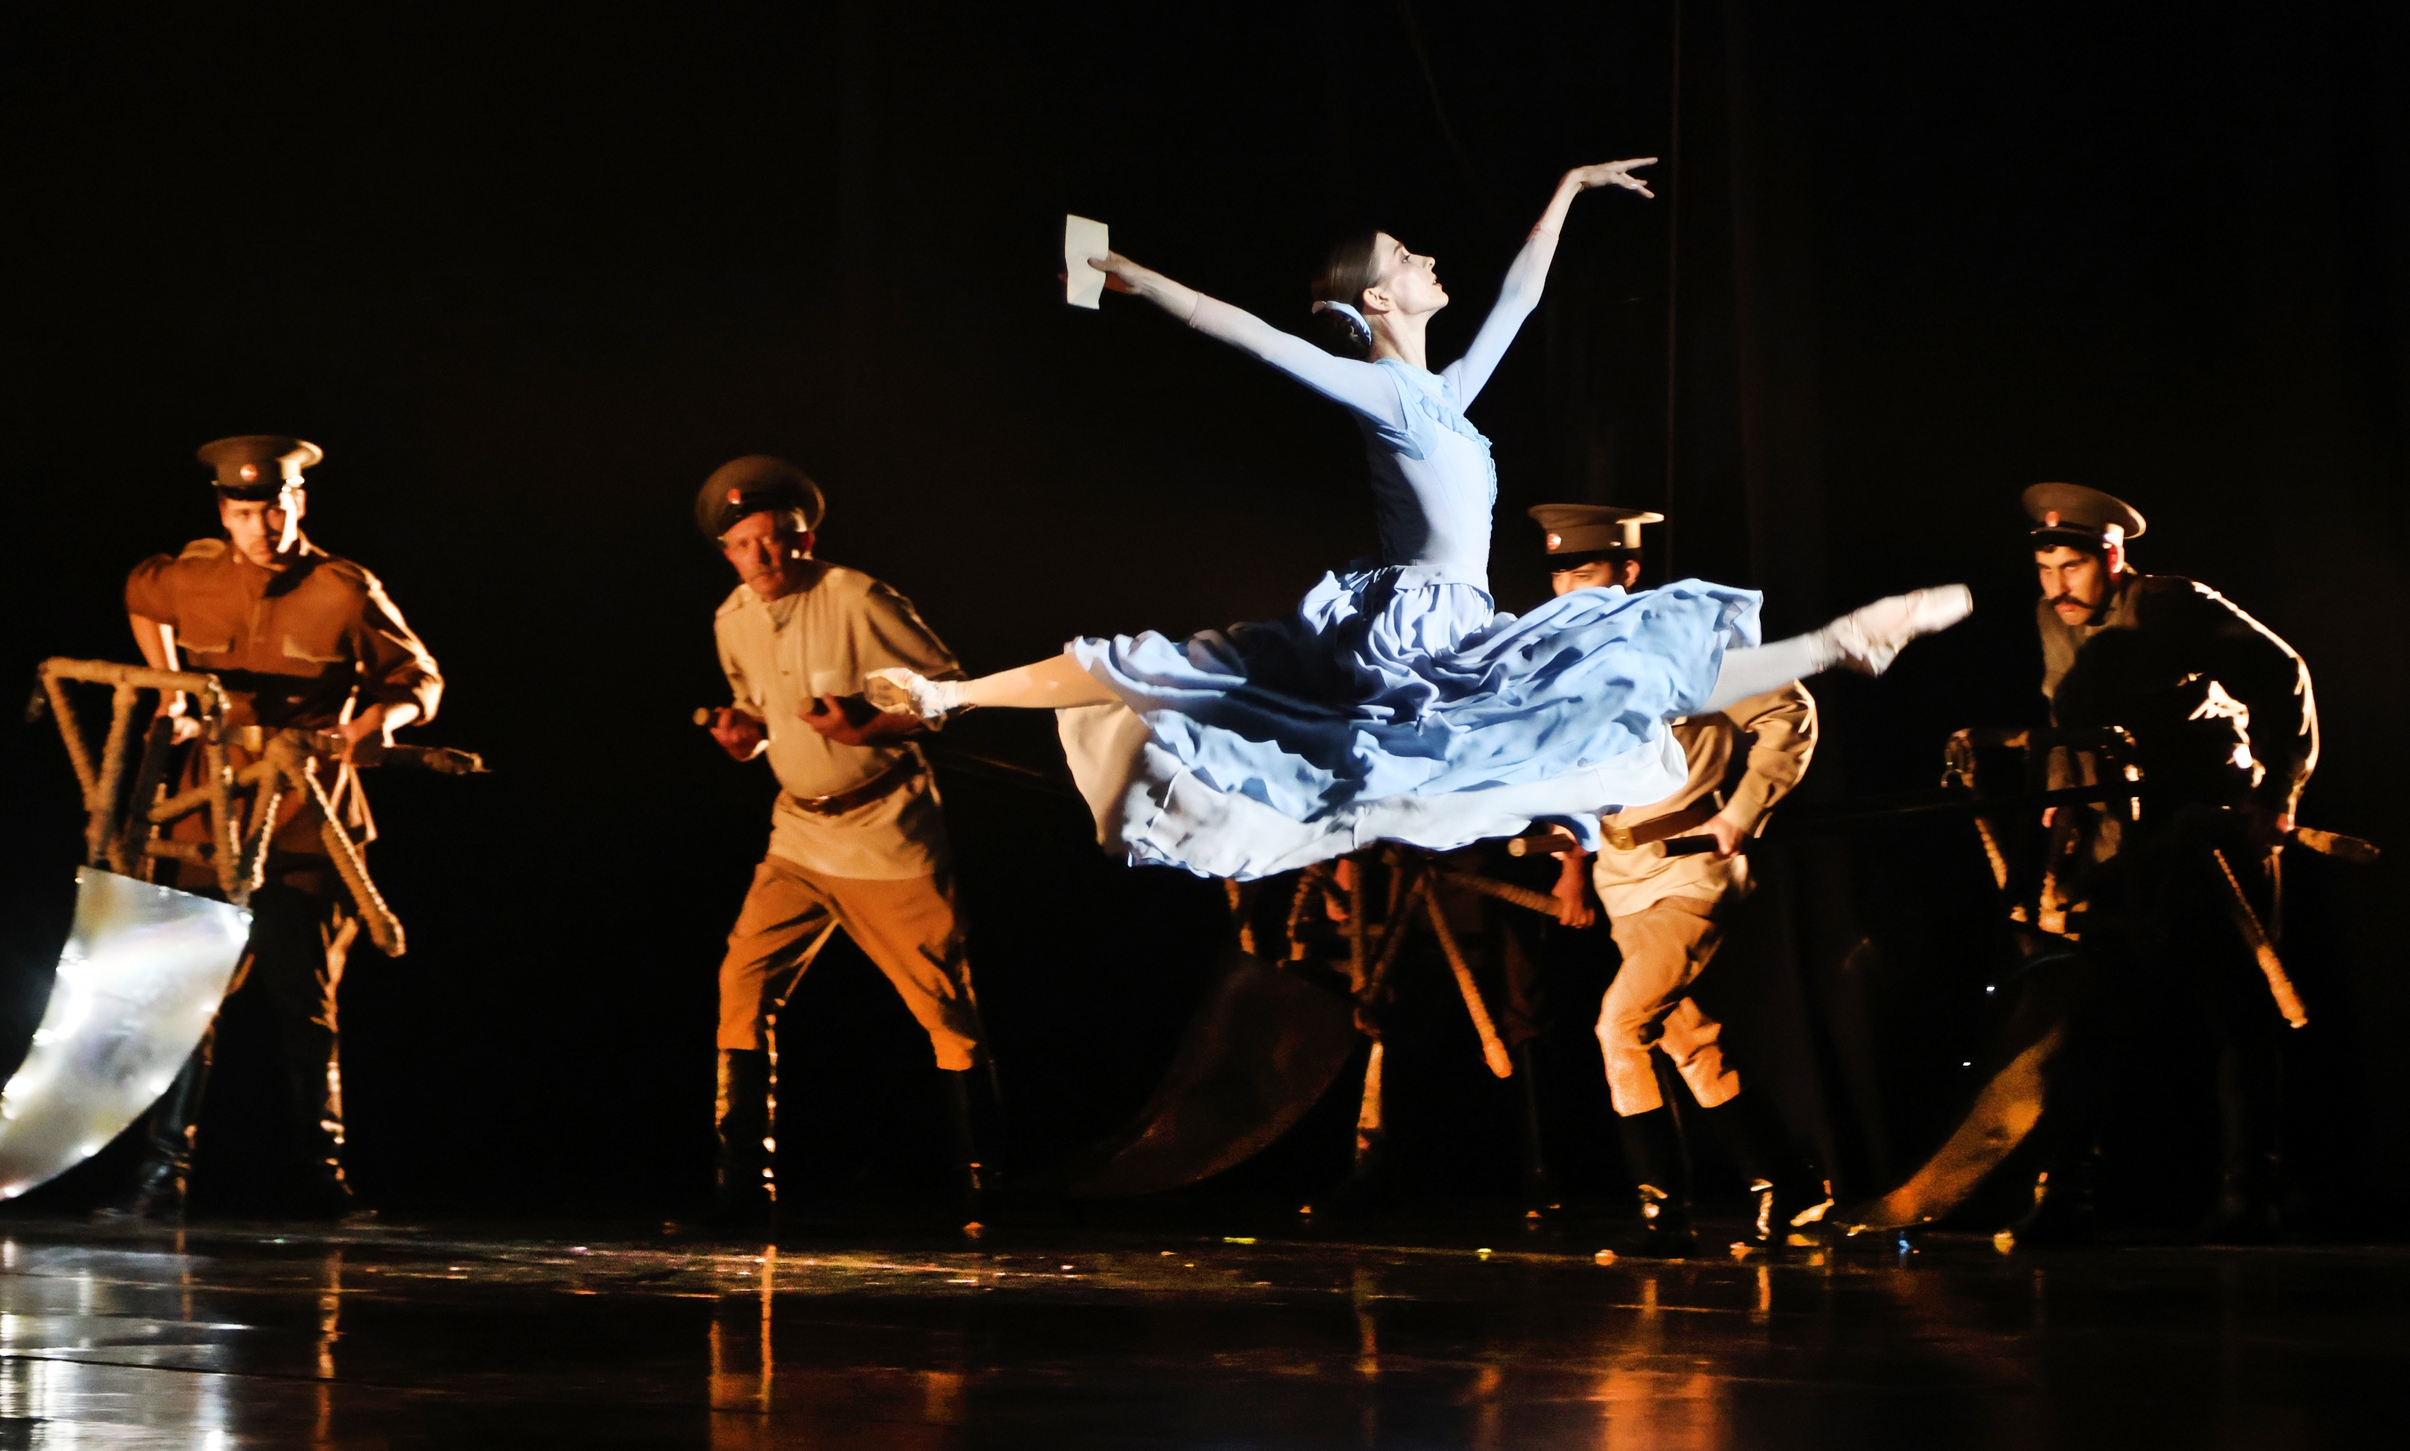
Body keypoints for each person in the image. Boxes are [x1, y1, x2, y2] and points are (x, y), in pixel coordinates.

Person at [866, 161, 1969, 880]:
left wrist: (1569, 190)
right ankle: (948, 695)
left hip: (1461, 617)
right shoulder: (1386, 393)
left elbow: (1520, 300)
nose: (1429, 260)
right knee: (1176, 672)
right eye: (1407, 258)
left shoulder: (1443, 395)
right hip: (1409, 626)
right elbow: (1256, 336)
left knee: (1613, 668)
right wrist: (1140, 282)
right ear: (1378, 300)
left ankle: (1838, 643)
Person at [107, 436, 443, 1221]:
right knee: (184, 1002)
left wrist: (379, 721)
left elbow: (419, 678)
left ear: (300, 502)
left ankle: (324, 1177)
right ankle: (161, 1177)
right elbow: (140, 595)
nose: (265, 527)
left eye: (278, 508)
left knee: (306, 1007)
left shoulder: (342, 588)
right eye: (246, 513)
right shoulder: (192, 576)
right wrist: (172, 692)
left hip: (304, 825)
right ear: (224, 514)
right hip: (209, 819)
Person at [698, 456, 1000, 1223]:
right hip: (799, 835)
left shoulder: (857, 598)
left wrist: (873, 724)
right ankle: (743, 1189)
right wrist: (745, 735)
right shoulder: (732, 618)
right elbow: (758, 711)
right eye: (744, 544)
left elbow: (951, 695)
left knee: (943, 1006)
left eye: (776, 538)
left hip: (884, 830)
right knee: (742, 983)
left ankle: (987, 1185)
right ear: (727, 553)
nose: (762, 556)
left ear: (805, 537)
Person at [2015, 483, 2317, 1242]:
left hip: (2204, 828)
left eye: (2073, 567)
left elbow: (2284, 674)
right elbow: (2066, 715)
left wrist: (2277, 794)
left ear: (2112, 557)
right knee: (2088, 1013)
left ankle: (2252, 1194)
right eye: (2046, 570)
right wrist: (2063, 800)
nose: (2057, 587)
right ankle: (2067, 1195)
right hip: (2117, 842)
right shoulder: (2054, 618)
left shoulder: (2171, 604)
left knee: (2239, 1010)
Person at [1529, 505, 1824, 1251]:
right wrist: (1570, 861)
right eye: (1561, 575)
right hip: (1621, 878)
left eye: (1587, 572)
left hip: (1690, 873)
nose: (1570, 590)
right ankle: (1788, 1184)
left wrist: (1744, 813)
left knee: (1620, 1026)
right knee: (1686, 1040)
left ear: (1628, 572)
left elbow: (1790, 715)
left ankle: (1663, 1214)